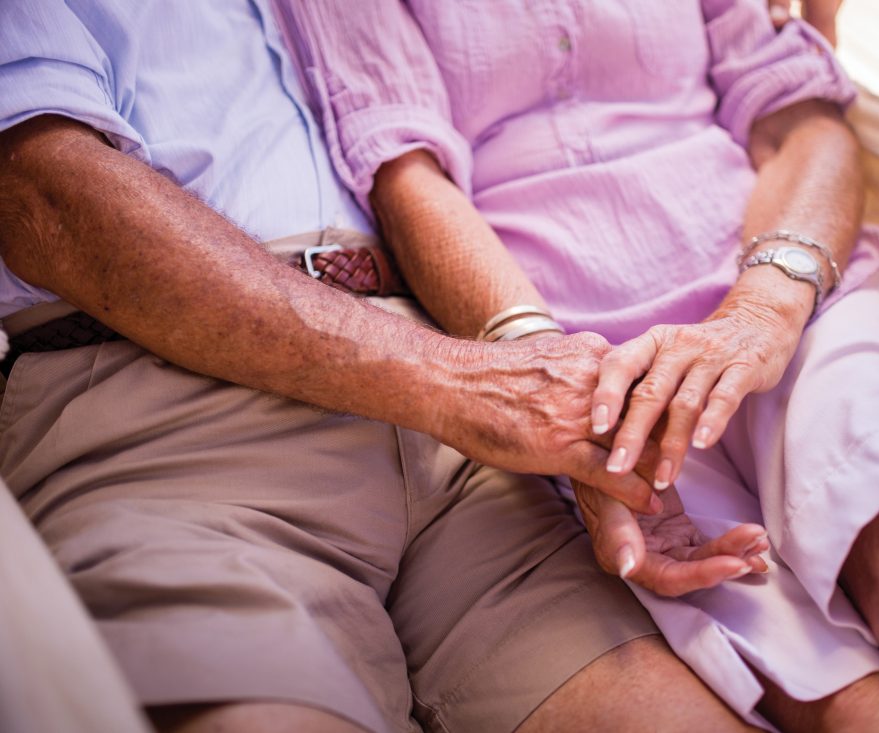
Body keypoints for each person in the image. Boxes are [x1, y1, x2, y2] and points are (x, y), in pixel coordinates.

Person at [274, 1, 879, 732]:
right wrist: (546, 381)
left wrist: (765, 308)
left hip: (784, 293)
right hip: (588, 372)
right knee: (856, 706)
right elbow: (407, 176)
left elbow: (797, 118)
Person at [0, 1, 779, 732]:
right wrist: (468, 386)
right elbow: (46, 198)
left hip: (452, 427)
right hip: (170, 424)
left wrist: (566, 411)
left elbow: (415, 169)